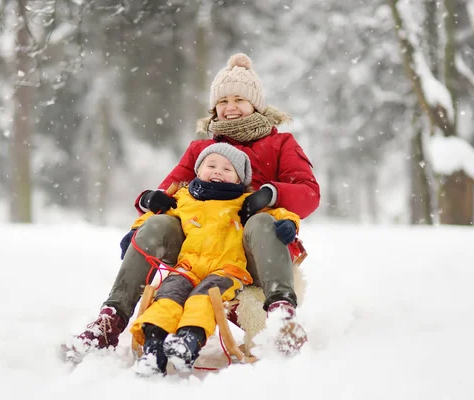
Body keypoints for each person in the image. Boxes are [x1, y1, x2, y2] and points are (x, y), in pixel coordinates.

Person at [61, 53, 320, 364]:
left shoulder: (281, 145)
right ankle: (110, 320)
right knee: (158, 225)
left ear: (256, 103)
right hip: (197, 251)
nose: (231, 107)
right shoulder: (201, 150)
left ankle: (281, 316)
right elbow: (167, 193)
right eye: (223, 101)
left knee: (260, 224)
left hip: (250, 255)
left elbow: (309, 195)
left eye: (239, 99)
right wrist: (149, 203)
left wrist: (270, 194)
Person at [129, 142, 301, 376]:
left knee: (204, 299)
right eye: (211, 165)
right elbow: (155, 215)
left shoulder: (244, 202)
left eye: (227, 169)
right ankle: (154, 347)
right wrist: (136, 228)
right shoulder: (184, 199)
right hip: (187, 268)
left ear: (239, 180)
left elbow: (280, 213)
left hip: (226, 271)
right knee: (167, 298)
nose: (218, 171)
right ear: (198, 171)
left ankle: (188, 341)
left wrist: (289, 223)